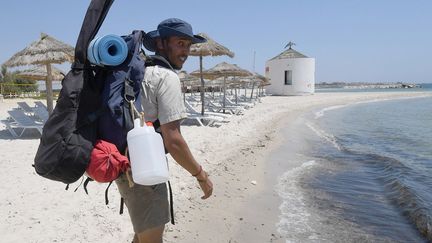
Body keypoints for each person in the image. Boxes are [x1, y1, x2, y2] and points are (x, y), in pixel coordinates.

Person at [115, 18, 214, 243]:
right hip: (145, 170)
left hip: (126, 164)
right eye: (180, 43)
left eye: (188, 45)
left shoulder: (142, 72)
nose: (186, 51)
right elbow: (173, 140)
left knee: (143, 236)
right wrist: (201, 176)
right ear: (161, 43)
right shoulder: (166, 77)